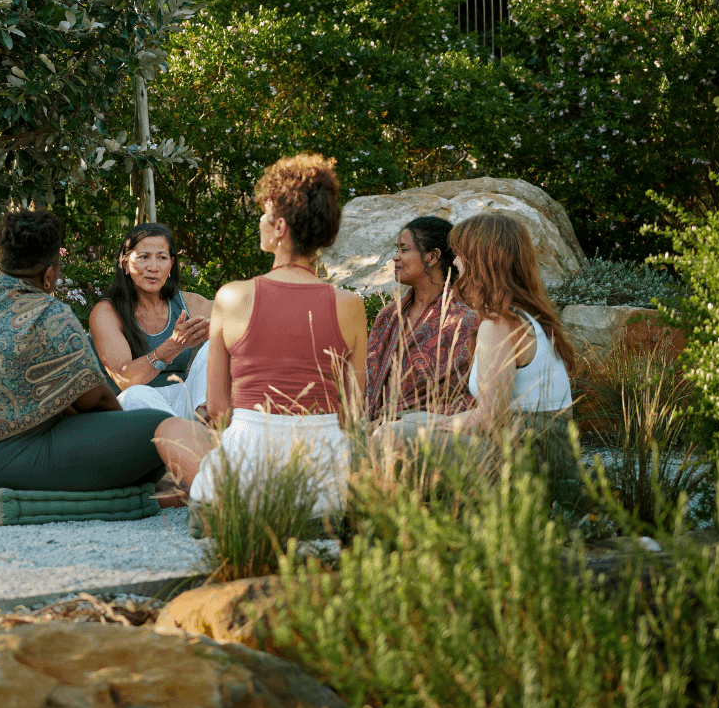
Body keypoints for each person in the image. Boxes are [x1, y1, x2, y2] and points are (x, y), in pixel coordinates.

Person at [0, 210, 206, 505]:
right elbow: (95, 400)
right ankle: (218, 494)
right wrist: (123, 433)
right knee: (160, 426)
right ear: (49, 274)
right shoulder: (49, 313)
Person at [192, 154, 368, 518]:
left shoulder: (232, 296)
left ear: (280, 227)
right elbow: (352, 412)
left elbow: (218, 409)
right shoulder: (350, 305)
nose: (260, 221)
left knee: (171, 432)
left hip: (246, 478)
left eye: (265, 213)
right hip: (324, 484)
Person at [390, 210, 574, 442]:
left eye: (460, 254)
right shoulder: (524, 315)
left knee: (390, 435)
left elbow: (489, 419)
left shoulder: (499, 324)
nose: (455, 262)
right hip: (539, 446)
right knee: (408, 421)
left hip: (525, 453)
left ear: (481, 261)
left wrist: (430, 423)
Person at [88, 222, 212, 423]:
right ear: (125, 263)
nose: (153, 268)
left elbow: (242, 320)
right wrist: (173, 345)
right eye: (144, 257)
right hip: (136, 409)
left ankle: (205, 424)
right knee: (135, 394)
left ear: (171, 264)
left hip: (183, 400)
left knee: (213, 347)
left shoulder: (190, 303)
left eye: (162, 258)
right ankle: (188, 436)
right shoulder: (106, 313)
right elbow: (125, 380)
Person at [364, 216, 478, 424]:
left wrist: (400, 421)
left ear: (432, 256)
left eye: (404, 249)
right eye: (397, 250)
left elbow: (469, 396)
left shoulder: (465, 320)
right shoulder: (388, 316)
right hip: (369, 428)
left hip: (430, 433)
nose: (396, 257)